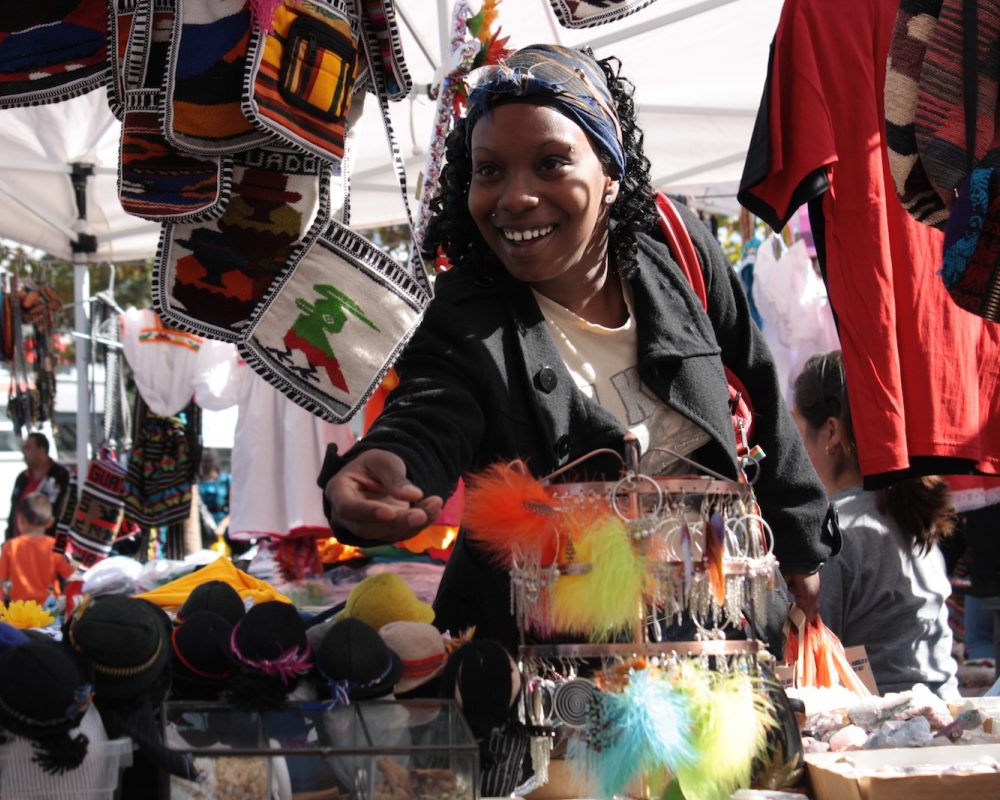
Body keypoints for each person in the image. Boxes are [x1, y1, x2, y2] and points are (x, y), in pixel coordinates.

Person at [320, 44, 838, 653]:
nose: (514, 196)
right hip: (551, 684)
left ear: (610, 175)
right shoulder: (461, 315)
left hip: (722, 652)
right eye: (490, 171)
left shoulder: (679, 250)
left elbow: (759, 393)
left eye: (550, 163)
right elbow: (429, 411)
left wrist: (802, 552)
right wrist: (392, 464)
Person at [792, 351, 959, 698]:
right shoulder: (903, 510)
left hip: (884, 729)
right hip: (940, 713)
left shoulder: (833, 530)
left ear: (831, 432)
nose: (794, 450)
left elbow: (806, 660)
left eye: (796, 432)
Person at [0, 494, 74, 604]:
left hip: (20, 610)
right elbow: (70, 575)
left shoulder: (11, 546)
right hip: (50, 609)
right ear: (50, 522)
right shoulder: (55, 546)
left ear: (21, 519)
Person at [6, 432, 70, 541]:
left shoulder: (61, 476)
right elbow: (13, 510)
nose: (23, 452)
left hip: (48, 544)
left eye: (28, 448)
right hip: (20, 544)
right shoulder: (22, 478)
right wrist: (8, 537)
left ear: (41, 451)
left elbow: (65, 512)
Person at [198, 449, 233, 548]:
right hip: (205, 533)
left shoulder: (226, 481)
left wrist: (222, 526)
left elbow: (236, 509)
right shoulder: (198, 484)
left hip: (226, 531)